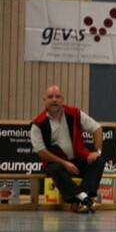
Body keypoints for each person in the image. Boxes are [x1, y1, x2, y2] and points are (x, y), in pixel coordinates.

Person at [30, 85, 105, 214]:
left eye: (57, 97)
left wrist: (96, 151)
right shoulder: (38, 124)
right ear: (44, 100)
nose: (54, 100)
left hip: (78, 159)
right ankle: (85, 199)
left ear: (62, 99)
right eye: (50, 97)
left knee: (98, 161)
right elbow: (42, 151)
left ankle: (81, 200)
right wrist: (65, 163)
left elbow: (97, 128)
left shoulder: (75, 113)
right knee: (55, 169)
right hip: (58, 164)